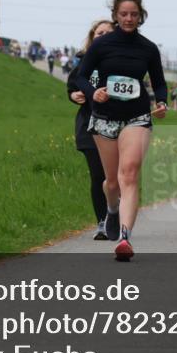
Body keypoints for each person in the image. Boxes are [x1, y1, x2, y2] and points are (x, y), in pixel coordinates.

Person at [74, 0, 168, 260]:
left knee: (129, 175)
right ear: (115, 15)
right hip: (104, 117)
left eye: (134, 15)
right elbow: (81, 77)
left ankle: (125, 238)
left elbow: (158, 82)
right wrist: (94, 94)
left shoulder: (148, 48)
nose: (129, 19)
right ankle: (111, 211)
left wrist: (161, 102)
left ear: (141, 17)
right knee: (112, 183)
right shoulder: (102, 46)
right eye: (124, 14)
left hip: (136, 117)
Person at [67, 19, 115, 240]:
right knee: (98, 176)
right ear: (92, 37)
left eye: (108, 32)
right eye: (99, 33)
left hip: (116, 126)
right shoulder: (83, 63)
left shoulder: (121, 62)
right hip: (89, 125)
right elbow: (72, 86)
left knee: (113, 178)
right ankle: (102, 223)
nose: (103, 36)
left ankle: (115, 214)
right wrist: (73, 95)